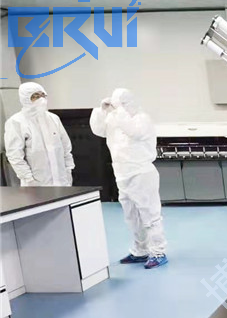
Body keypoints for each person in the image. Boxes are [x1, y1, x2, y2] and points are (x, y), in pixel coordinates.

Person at [90, 88, 168, 269]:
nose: (119, 107)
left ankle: (158, 252)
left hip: (141, 173)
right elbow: (99, 130)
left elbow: (134, 132)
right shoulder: (114, 118)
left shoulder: (141, 119)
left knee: (149, 214)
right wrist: (101, 111)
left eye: (122, 104)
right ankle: (140, 250)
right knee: (131, 216)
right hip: (122, 174)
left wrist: (118, 111)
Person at [4, 82, 75, 187]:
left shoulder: (53, 118)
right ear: (25, 99)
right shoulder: (16, 122)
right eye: (35, 96)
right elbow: (15, 155)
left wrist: (68, 170)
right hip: (36, 185)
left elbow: (66, 148)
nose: (41, 99)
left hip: (62, 182)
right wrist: (29, 179)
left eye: (43, 95)